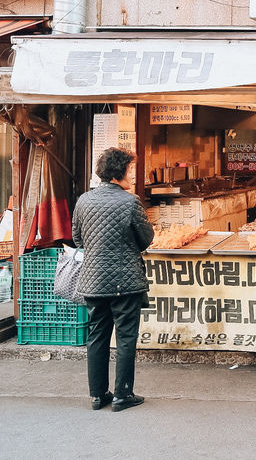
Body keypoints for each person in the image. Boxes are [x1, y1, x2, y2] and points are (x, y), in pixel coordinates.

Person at [72, 147, 154, 413]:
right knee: (126, 337)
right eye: (130, 169)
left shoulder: (84, 200)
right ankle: (122, 395)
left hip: (93, 281)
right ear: (119, 172)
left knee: (97, 335)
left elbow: (78, 239)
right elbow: (146, 239)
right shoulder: (130, 202)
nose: (133, 174)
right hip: (125, 282)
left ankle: (97, 396)